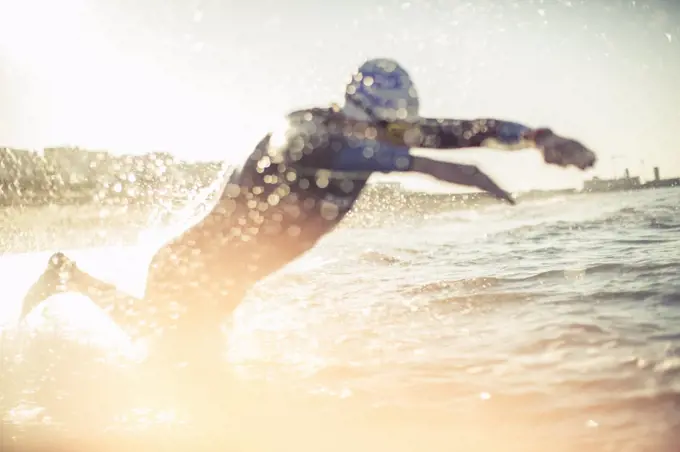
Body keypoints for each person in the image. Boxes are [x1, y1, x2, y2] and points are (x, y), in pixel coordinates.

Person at [20, 58, 596, 368]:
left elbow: (469, 129)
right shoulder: (303, 128)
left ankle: (70, 277)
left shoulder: (381, 136)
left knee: (192, 376)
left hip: (229, 280)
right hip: (190, 265)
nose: (389, 138)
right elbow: (332, 152)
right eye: (382, 128)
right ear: (358, 111)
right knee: (174, 357)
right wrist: (444, 169)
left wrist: (539, 137)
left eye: (395, 129)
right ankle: (67, 275)